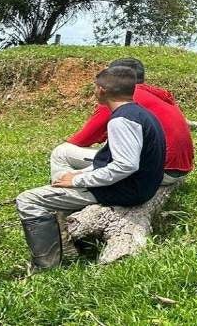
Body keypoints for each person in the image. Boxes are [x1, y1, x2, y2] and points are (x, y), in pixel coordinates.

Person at [17, 66, 165, 271]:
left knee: (28, 200)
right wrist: (80, 174)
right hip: (138, 186)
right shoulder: (140, 113)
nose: (94, 91)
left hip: (125, 190)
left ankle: (47, 265)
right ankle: (62, 224)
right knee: (65, 178)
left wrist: (77, 181)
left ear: (103, 90)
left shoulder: (121, 120)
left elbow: (125, 166)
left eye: (95, 87)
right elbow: (115, 161)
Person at [49, 57, 194, 186]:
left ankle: (62, 189)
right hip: (180, 169)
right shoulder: (158, 95)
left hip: (157, 171)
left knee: (61, 152)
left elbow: (82, 140)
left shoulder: (118, 98)